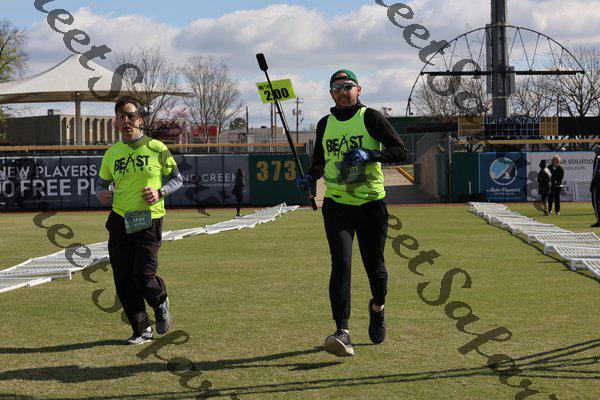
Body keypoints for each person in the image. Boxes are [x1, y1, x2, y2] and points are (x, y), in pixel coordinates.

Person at [296, 69, 407, 357]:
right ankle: (342, 331)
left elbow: (400, 151)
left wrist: (371, 155)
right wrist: (310, 176)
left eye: (347, 86)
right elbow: (319, 162)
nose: (343, 92)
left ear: (358, 89)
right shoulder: (325, 123)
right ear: (330, 93)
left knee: (375, 268)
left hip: (370, 205)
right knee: (341, 264)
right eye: (337, 88)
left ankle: (377, 308)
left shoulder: (371, 118)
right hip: (337, 205)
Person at [96, 97, 183, 345]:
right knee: (123, 278)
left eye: (130, 116)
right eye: (121, 116)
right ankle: (142, 330)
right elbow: (101, 185)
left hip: (148, 219)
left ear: (140, 120)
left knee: (143, 276)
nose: (126, 120)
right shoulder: (112, 153)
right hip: (119, 220)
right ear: (116, 122)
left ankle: (160, 301)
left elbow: (177, 179)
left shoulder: (157, 148)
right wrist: (101, 193)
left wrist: (159, 192)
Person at [590, 148, 600, 227]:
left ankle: (599, 220)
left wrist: (592, 184)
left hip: (597, 182)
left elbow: (595, 172)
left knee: (596, 202)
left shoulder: (598, 158)